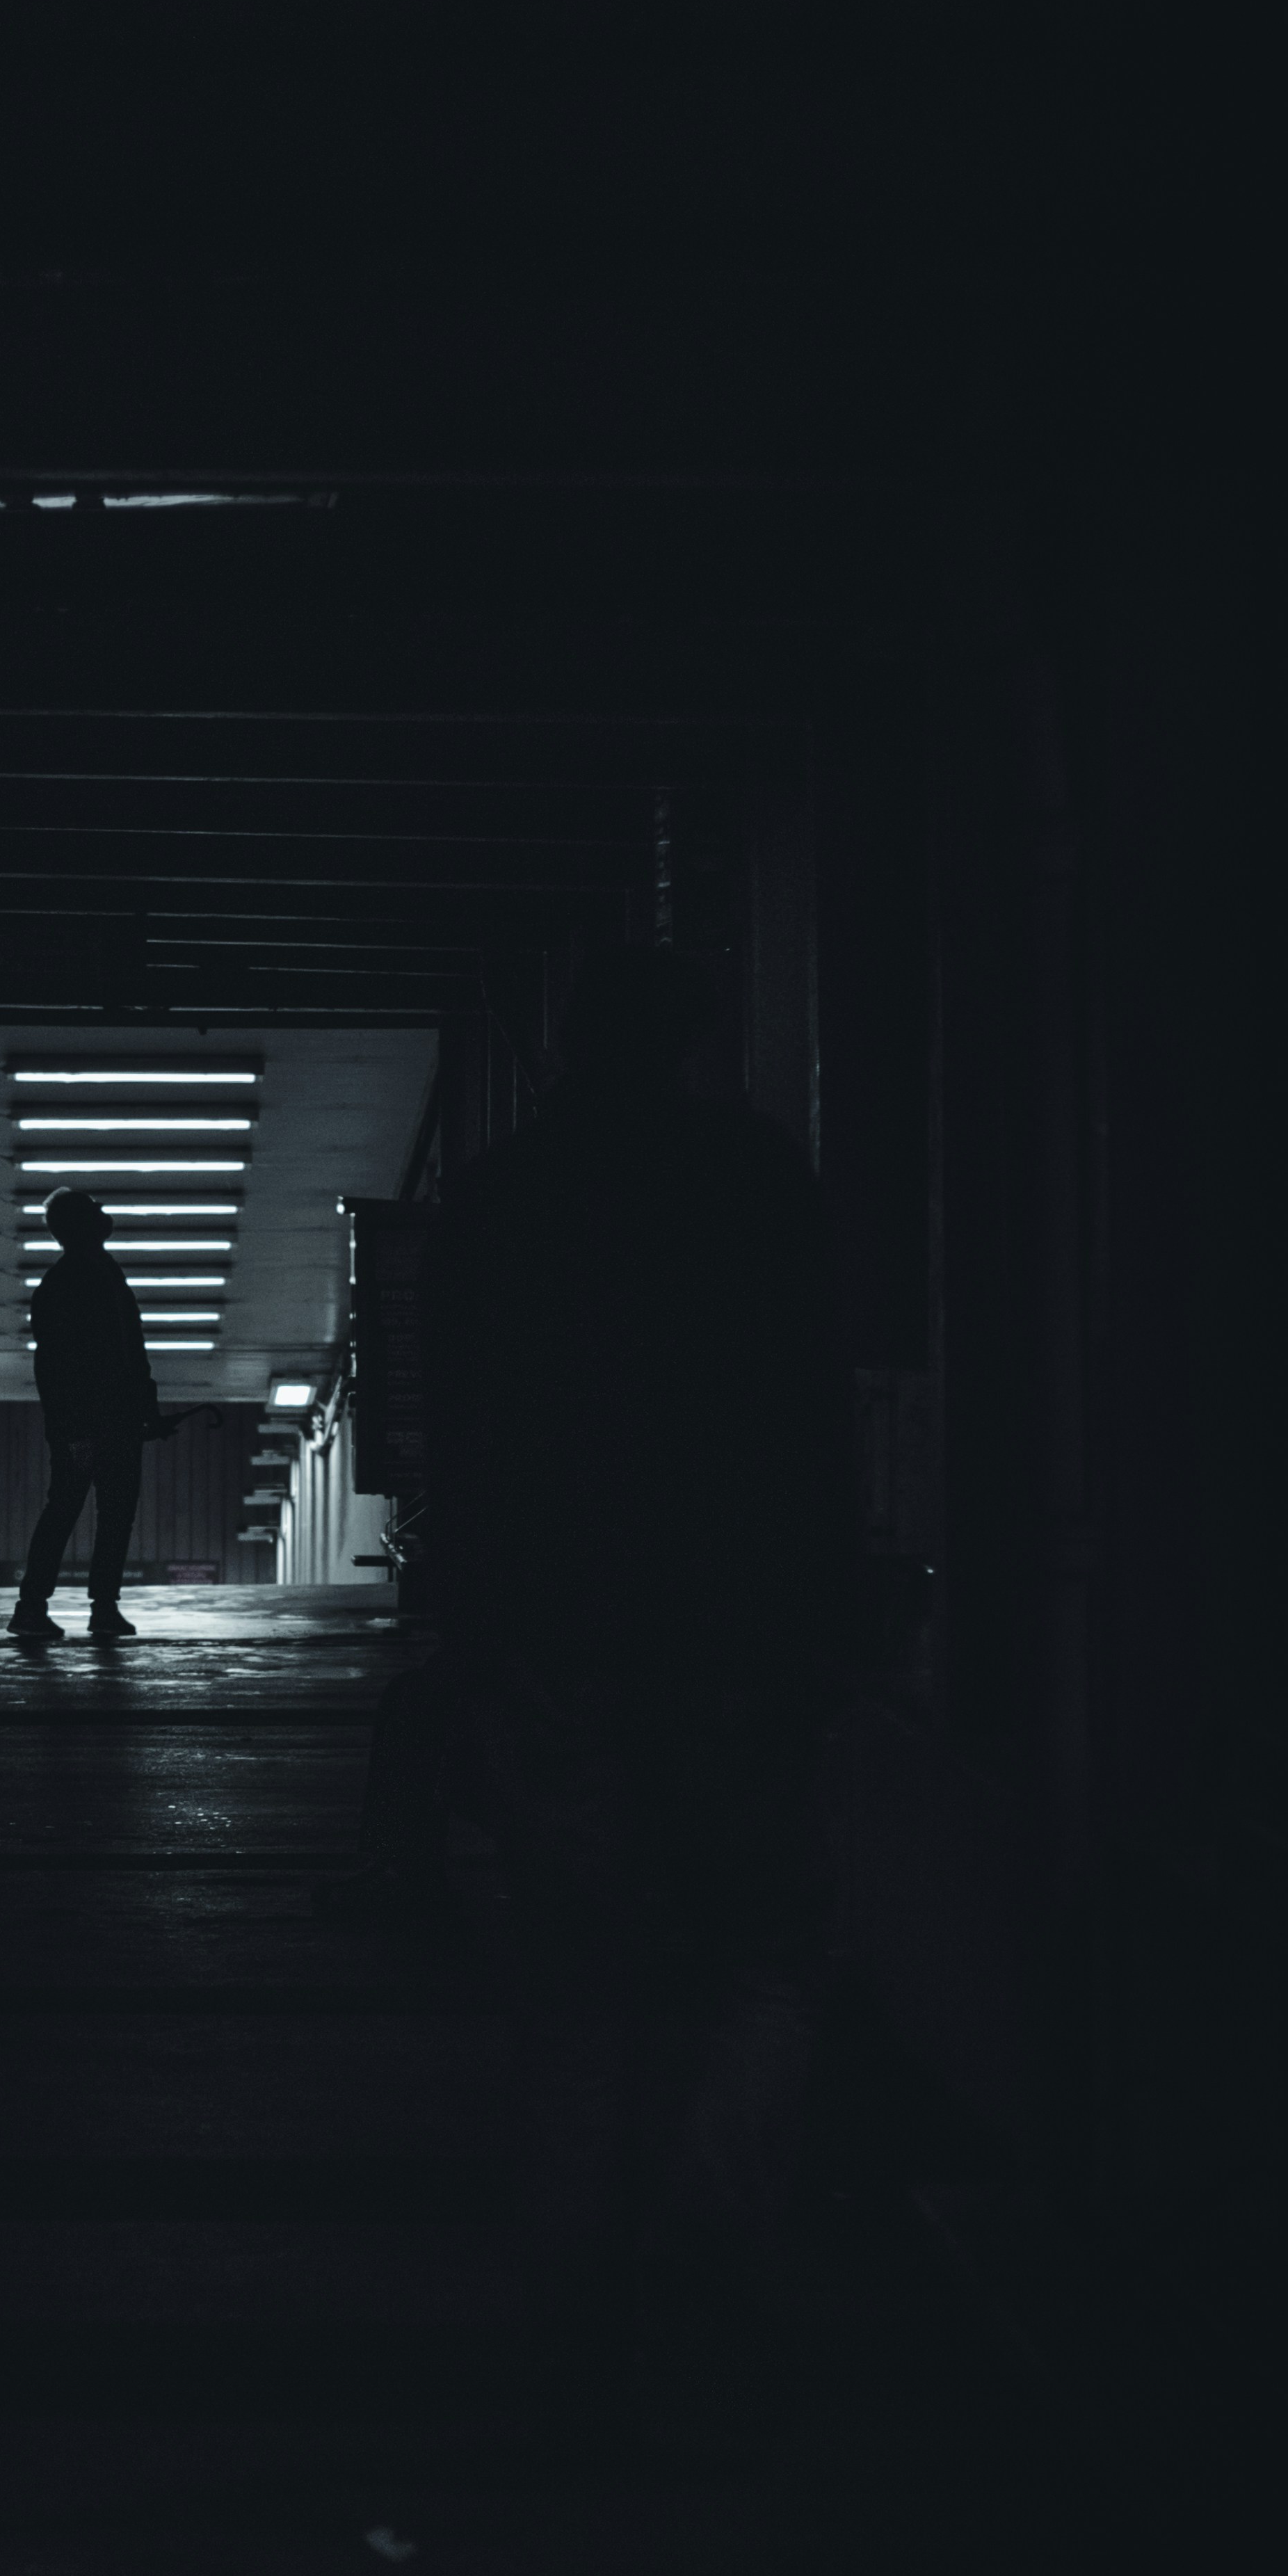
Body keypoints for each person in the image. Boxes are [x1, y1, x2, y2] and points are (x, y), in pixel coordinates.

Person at [430, 947, 848, 2442]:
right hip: (736, 1635)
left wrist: (460, 1657)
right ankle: (704, 2236)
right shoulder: (755, 1184)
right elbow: (813, 1411)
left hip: (558, 1639)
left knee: (575, 1964)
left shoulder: (492, 1201)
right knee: (762, 1947)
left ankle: (566, 2285)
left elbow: (457, 1451)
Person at [10, 1187, 163, 1641]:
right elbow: (122, 1355)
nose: (103, 1211)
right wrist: (139, 1409)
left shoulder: (75, 1279)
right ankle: (85, 1607)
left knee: (79, 1507)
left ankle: (43, 1606)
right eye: (94, 1207)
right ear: (80, 1224)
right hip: (98, 1425)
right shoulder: (95, 1278)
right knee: (100, 1509)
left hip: (89, 1425)